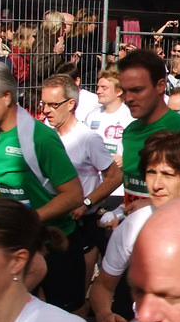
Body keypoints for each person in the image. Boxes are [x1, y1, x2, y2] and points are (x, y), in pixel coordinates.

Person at [0, 63, 86, 312]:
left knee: (65, 318)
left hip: (57, 246)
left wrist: (31, 218)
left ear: (6, 96)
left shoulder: (39, 137)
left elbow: (74, 194)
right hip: (18, 246)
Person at [89, 130, 180, 322]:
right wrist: (104, 315)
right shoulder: (133, 225)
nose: (156, 184)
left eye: (168, 174)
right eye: (151, 172)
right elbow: (103, 287)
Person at [40, 75, 123, 277]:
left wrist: (86, 203)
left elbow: (115, 177)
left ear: (71, 104)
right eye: (44, 104)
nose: (46, 110)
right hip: (50, 222)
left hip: (81, 224)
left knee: (75, 288)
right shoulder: (44, 135)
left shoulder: (87, 138)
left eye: (53, 105)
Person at [117, 50, 180, 206]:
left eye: (137, 90)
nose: (128, 98)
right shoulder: (129, 132)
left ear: (160, 86)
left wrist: (152, 204)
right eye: (124, 91)